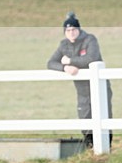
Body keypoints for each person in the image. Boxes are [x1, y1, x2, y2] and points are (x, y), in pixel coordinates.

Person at [47, 12, 113, 149]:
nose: (71, 33)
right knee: (85, 119)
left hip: (99, 88)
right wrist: (64, 68)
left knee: (103, 117)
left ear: (79, 29)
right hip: (82, 91)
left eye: (73, 29)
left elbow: (91, 59)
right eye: (68, 30)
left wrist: (70, 61)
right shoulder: (64, 45)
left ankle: (106, 149)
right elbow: (51, 63)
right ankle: (90, 150)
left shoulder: (90, 40)